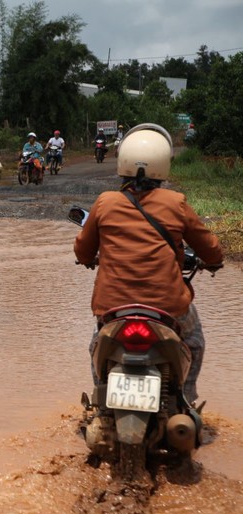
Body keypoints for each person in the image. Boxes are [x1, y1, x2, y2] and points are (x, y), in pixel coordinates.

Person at [73, 123, 224, 403]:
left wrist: (88, 260)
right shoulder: (176, 203)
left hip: (112, 307)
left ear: (123, 163)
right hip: (168, 306)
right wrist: (214, 261)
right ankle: (186, 398)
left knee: (97, 345)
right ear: (163, 166)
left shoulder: (105, 202)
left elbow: (83, 250)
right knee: (194, 341)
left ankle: (100, 400)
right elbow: (211, 248)